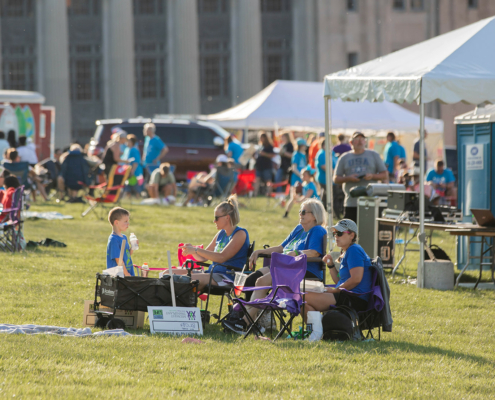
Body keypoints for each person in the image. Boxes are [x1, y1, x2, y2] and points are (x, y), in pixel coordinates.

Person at [224, 199, 327, 334]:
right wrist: (259, 251)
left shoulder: (317, 230)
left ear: (314, 216)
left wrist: (295, 253)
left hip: (305, 271)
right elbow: (280, 248)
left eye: (303, 212)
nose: (300, 214)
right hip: (286, 267)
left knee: (261, 281)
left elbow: (315, 252)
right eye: (299, 211)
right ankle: (254, 321)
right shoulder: (298, 229)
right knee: (252, 279)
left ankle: (245, 322)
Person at [303, 219, 373, 329]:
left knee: (303, 297)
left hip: (355, 298)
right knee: (303, 302)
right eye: (335, 233)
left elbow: (356, 279)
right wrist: (331, 265)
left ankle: (319, 331)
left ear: (351, 235)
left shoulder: (354, 250)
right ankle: (319, 331)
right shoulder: (346, 252)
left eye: (340, 233)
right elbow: (339, 281)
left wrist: (335, 290)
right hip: (346, 295)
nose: (336, 236)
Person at [179, 195, 250, 292]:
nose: (214, 221)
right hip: (213, 273)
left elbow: (221, 257)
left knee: (187, 280)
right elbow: (203, 257)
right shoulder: (221, 233)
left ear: (227, 218)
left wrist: (196, 250)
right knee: (170, 274)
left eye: (216, 218)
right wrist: (192, 250)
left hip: (227, 277)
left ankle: (186, 306)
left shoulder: (240, 234)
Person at [334, 132, 388, 223]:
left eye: (362, 139)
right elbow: (336, 179)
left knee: (370, 231)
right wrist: (348, 178)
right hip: (351, 202)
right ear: (351, 142)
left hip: (370, 202)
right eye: (357, 139)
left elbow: (385, 174)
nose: (360, 142)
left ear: (365, 142)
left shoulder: (373, 155)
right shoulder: (344, 157)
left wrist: (372, 176)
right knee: (350, 233)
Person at [106, 207, 135, 276]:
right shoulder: (113, 239)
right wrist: (127, 274)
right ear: (116, 222)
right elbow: (118, 260)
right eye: (125, 221)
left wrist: (133, 247)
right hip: (119, 276)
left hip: (127, 272)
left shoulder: (124, 237)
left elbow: (126, 255)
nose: (128, 223)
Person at [283, 138, 308, 218]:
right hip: (296, 180)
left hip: (303, 179)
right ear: (300, 146)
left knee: (304, 197)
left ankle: (304, 214)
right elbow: (294, 168)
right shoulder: (296, 154)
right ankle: (286, 213)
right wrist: (301, 175)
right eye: (304, 145)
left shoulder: (303, 155)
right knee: (293, 197)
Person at [315, 139, 337, 207]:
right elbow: (324, 166)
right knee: (329, 194)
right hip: (324, 178)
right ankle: (326, 208)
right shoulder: (322, 153)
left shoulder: (330, 152)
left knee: (325, 195)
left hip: (329, 178)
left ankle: (323, 208)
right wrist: (335, 172)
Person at [254, 132, 275, 196]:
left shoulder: (269, 146)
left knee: (268, 181)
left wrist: (264, 154)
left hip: (267, 166)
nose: (260, 139)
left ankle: (269, 194)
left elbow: (272, 155)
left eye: (262, 137)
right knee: (257, 180)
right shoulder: (260, 146)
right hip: (259, 166)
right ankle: (255, 194)